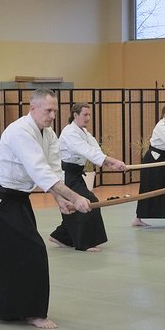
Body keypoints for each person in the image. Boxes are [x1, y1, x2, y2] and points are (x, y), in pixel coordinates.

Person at [0, 89, 90, 329]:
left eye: (54, 111)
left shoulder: (48, 134)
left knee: (5, 252)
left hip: (19, 199)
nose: (52, 115)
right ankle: (33, 312)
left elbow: (52, 168)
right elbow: (38, 169)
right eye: (48, 110)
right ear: (33, 108)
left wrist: (60, 200)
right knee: (34, 250)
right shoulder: (20, 132)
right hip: (2, 199)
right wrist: (75, 196)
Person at [49, 102, 127, 251]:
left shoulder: (83, 132)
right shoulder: (69, 132)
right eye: (85, 114)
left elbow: (94, 150)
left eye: (89, 114)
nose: (88, 118)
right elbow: (85, 150)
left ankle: (60, 236)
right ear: (75, 115)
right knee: (89, 202)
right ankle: (85, 243)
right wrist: (111, 161)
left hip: (76, 174)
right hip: (65, 175)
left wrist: (110, 164)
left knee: (75, 206)